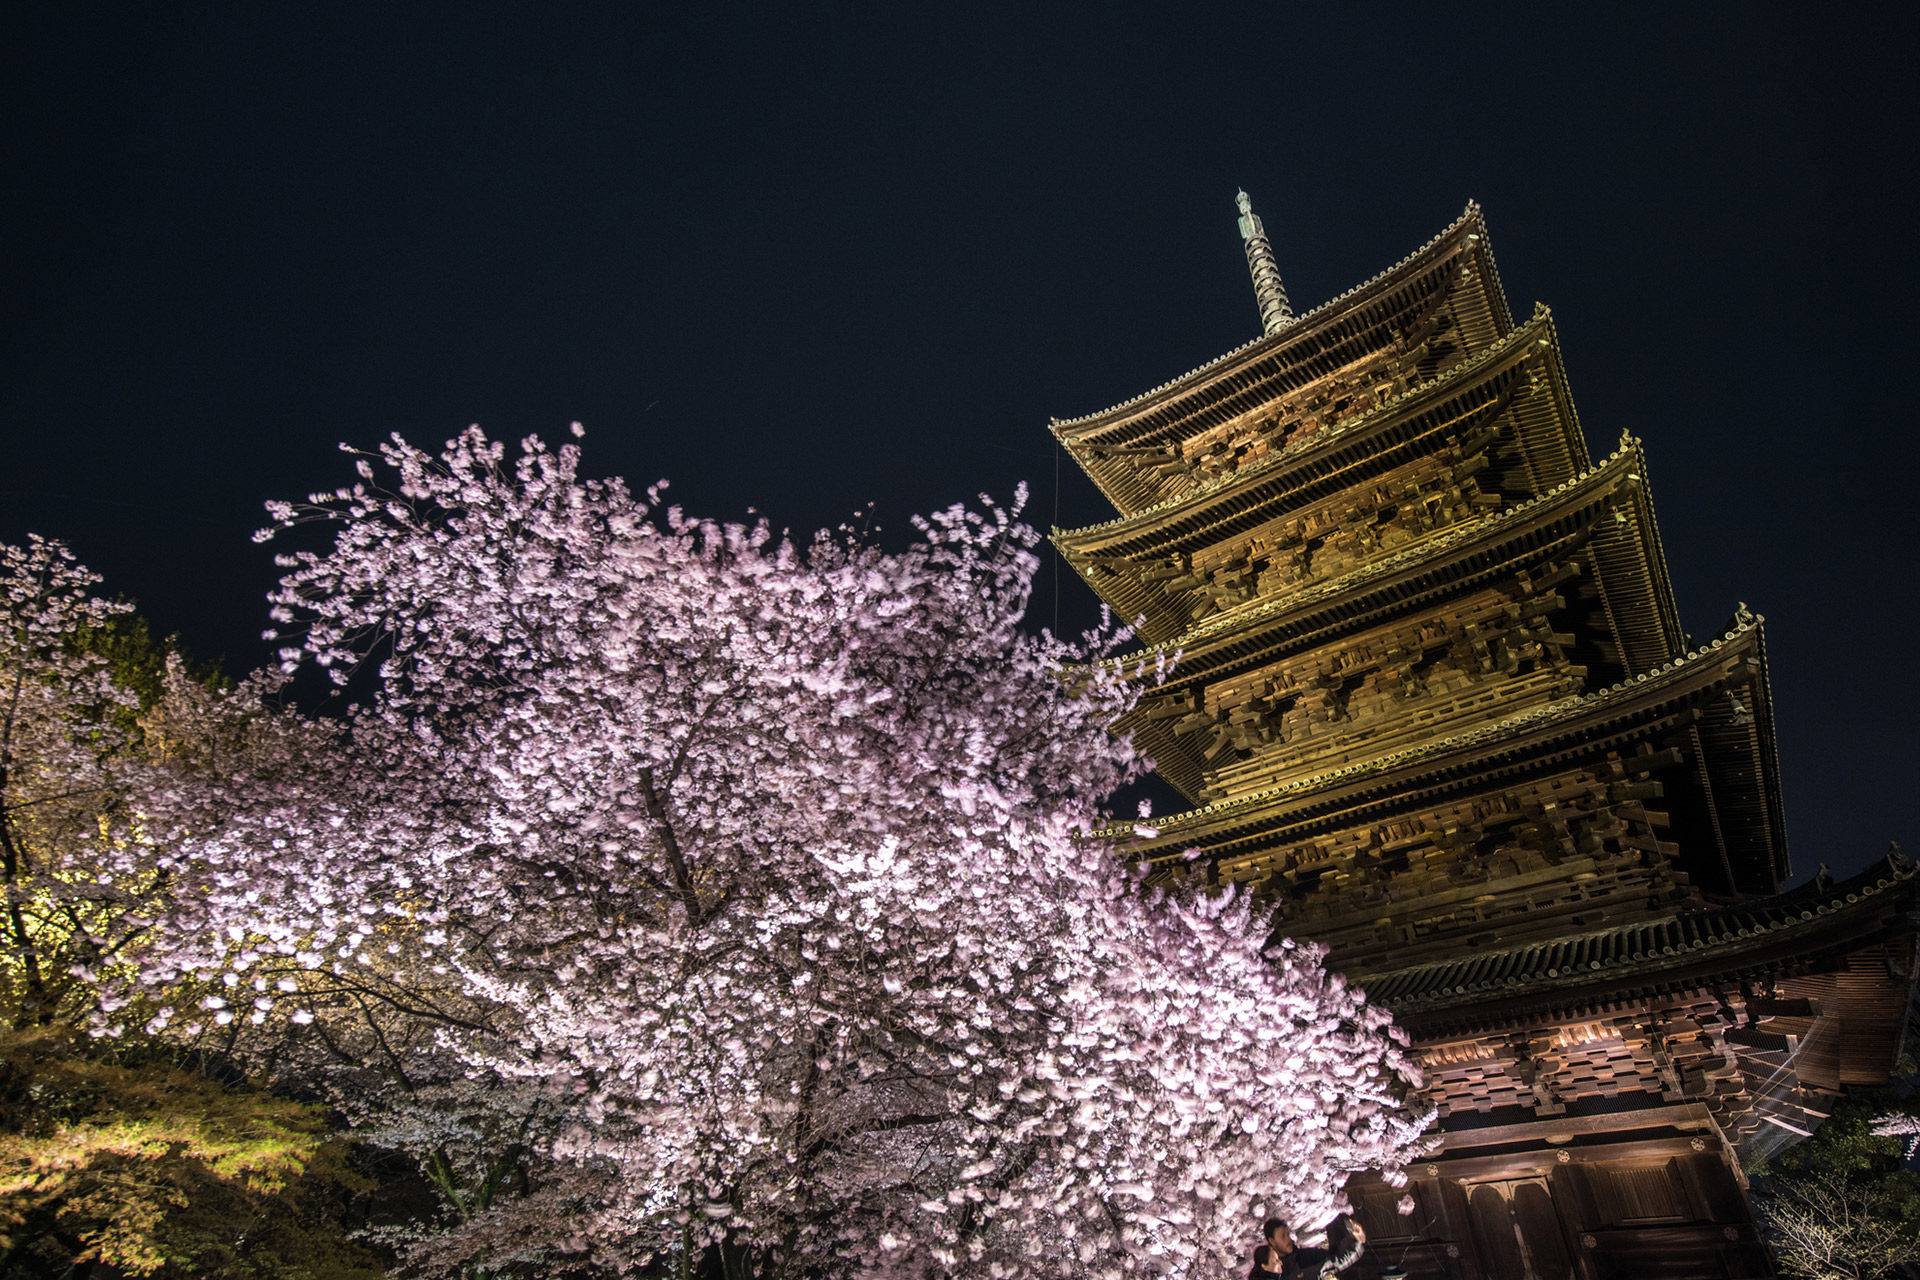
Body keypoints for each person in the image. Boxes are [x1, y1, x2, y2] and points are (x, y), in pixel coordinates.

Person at [1248, 1214, 1366, 1279]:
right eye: (1283, 1236)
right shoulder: (1263, 1269)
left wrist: (1355, 1241)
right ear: (1272, 1241)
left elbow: (1334, 1260)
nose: (1288, 1239)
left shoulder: (1305, 1258)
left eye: (1288, 1234)